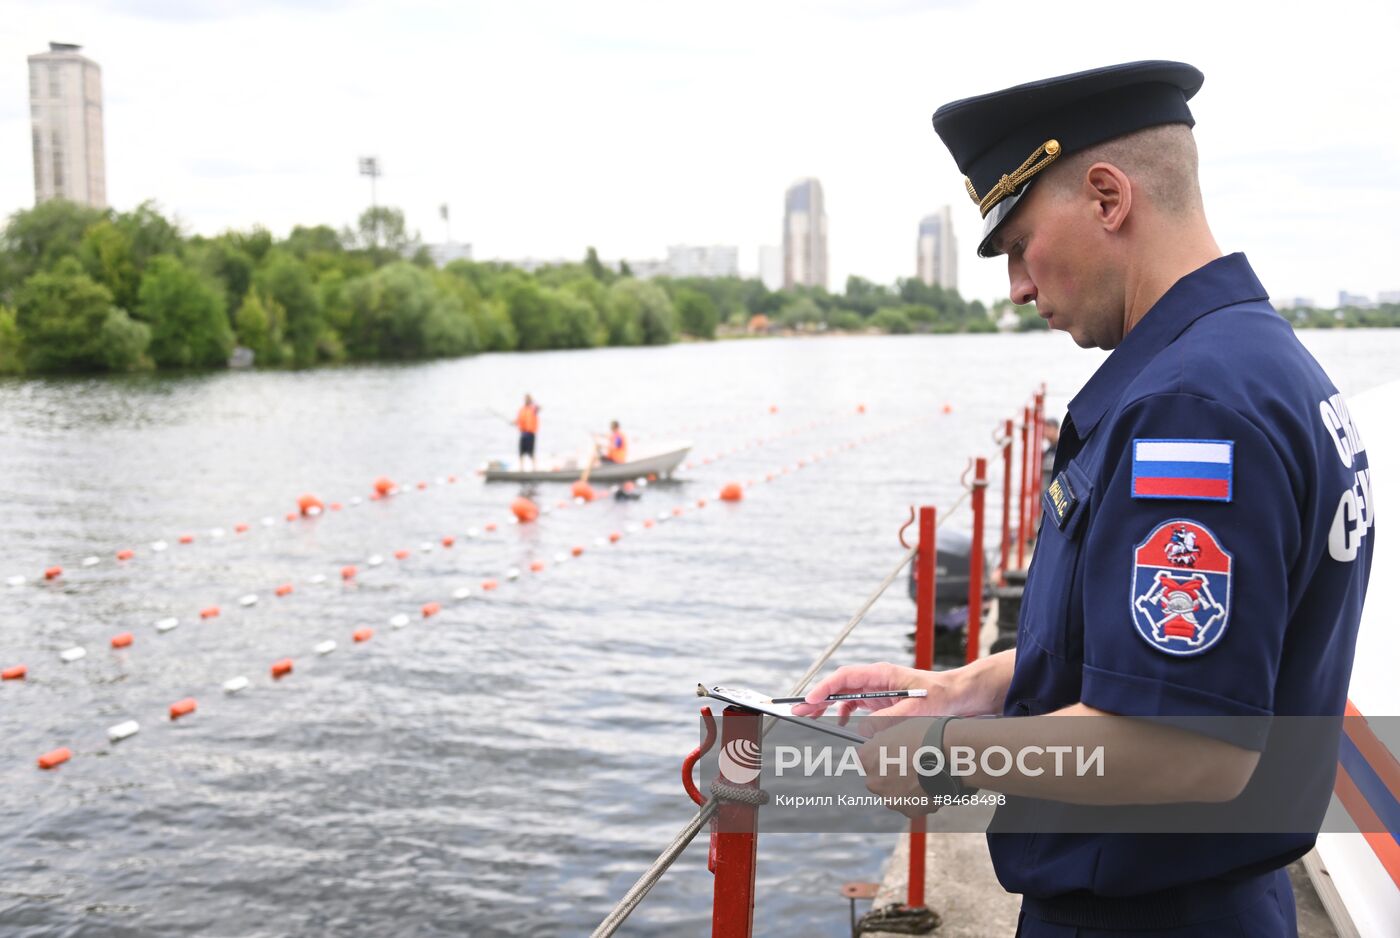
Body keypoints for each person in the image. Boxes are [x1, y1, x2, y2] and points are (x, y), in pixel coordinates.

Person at [794, 61, 1373, 936]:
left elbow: (1186, 747)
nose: (1019, 286)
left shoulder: (1191, 412)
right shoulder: (1258, 361)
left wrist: (947, 754)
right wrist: (978, 685)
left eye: (1020, 244)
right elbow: (1172, 666)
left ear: (1108, 197)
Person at [516, 393, 540, 471]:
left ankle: (534, 468)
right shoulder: (521, 410)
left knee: (531, 452)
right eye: (525, 399)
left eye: (528, 399)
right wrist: (514, 422)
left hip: (530, 434)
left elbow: (539, 407)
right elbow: (518, 420)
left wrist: (533, 401)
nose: (526, 400)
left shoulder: (533, 408)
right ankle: (521, 468)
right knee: (521, 452)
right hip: (523, 433)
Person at [1040, 416, 1060, 491]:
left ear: (1056, 430)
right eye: (1045, 429)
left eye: (1049, 428)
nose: (1046, 432)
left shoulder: (1061, 449)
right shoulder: (1047, 451)